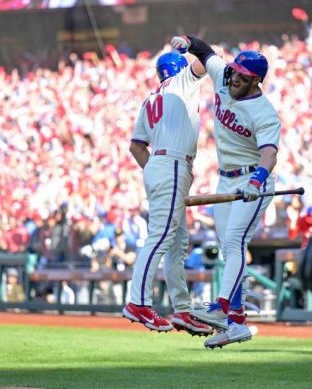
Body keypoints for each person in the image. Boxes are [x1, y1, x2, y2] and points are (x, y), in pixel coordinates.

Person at [170, 35, 281, 348]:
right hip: (225, 179)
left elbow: (270, 153)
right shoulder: (223, 75)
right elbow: (206, 52)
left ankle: (220, 308)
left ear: (256, 81)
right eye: (233, 70)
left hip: (252, 182)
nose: (233, 77)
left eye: (242, 76)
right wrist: (186, 41)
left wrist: (258, 180)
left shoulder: (264, 111)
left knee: (234, 242)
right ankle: (238, 322)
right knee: (227, 247)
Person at [121, 51, 213, 337]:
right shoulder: (182, 82)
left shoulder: (151, 97)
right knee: (161, 236)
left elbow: (137, 146)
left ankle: (182, 310)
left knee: (176, 242)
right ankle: (138, 303)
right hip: (173, 163)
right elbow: (207, 61)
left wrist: (155, 171)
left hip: (160, 165)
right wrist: (196, 46)